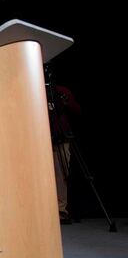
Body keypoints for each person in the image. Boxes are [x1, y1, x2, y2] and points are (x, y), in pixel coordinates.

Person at [48, 82, 81, 224]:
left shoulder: (61, 90)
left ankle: (61, 210)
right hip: (41, 136)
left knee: (61, 175)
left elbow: (77, 110)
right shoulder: (34, 88)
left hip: (61, 137)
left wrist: (65, 101)